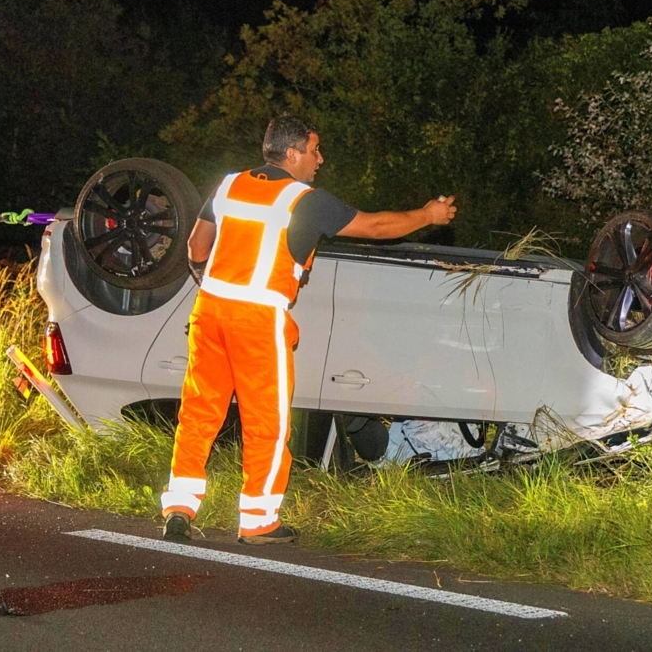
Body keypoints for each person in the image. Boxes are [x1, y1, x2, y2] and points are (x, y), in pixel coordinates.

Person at [160, 115, 457, 544]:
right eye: (315, 150)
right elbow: (374, 226)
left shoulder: (228, 184)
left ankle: (180, 508)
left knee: (199, 413)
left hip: (209, 311)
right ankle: (259, 520)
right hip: (258, 319)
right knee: (268, 421)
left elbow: (196, 248)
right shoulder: (303, 200)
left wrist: (217, 287)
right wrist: (427, 214)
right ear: (293, 153)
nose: (320, 159)